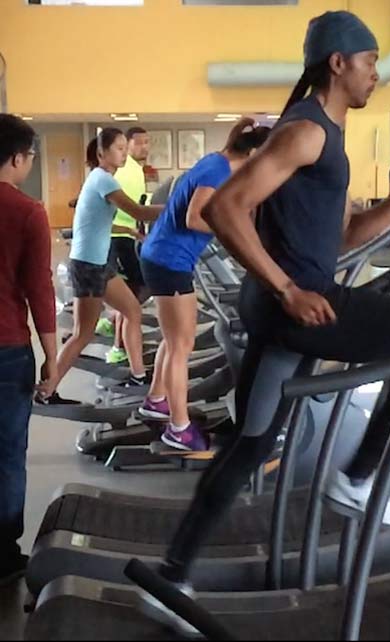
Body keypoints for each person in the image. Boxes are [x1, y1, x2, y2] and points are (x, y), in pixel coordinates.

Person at [142, 11, 390, 627]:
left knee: (250, 443)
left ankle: (170, 575)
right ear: (338, 64)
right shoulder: (307, 131)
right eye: (370, 63)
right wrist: (287, 288)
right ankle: (360, 477)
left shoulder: (326, 138)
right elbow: (230, 209)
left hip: (278, 312)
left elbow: (341, 239)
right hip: (293, 308)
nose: (376, 75)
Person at [138, 119, 270, 452]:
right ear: (253, 153)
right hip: (169, 260)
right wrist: (232, 227)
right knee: (182, 345)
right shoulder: (218, 172)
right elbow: (194, 218)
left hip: (165, 257)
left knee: (175, 340)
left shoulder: (217, 161)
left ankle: (157, 400)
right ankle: (178, 429)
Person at [37, 128, 163, 404]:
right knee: (83, 333)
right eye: (118, 148)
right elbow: (138, 211)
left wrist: (129, 232)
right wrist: (179, 206)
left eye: (123, 148)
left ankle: (138, 374)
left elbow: (97, 221)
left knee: (132, 310)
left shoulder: (100, 180)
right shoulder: (103, 180)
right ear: (101, 153)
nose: (123, 152)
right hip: (89, 266)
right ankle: (47, 390)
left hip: (99, 263)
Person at [0, 115, 57, 584]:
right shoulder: (27, 211)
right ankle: (2, 552)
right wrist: (53, 356)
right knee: (6, 455)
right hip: (7, 349)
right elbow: (39, 290)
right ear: (17, 158)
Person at [102, 126, 151, 365]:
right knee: (134, 293)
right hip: (116, 238)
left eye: (147, 142)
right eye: (139, 143)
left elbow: (139, 204)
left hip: (125, 235)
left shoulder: (135, 171)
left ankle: (112, 325)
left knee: (134, 291)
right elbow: (135, 208)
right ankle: (115, 337)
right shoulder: (120, 172)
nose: (145, 147)